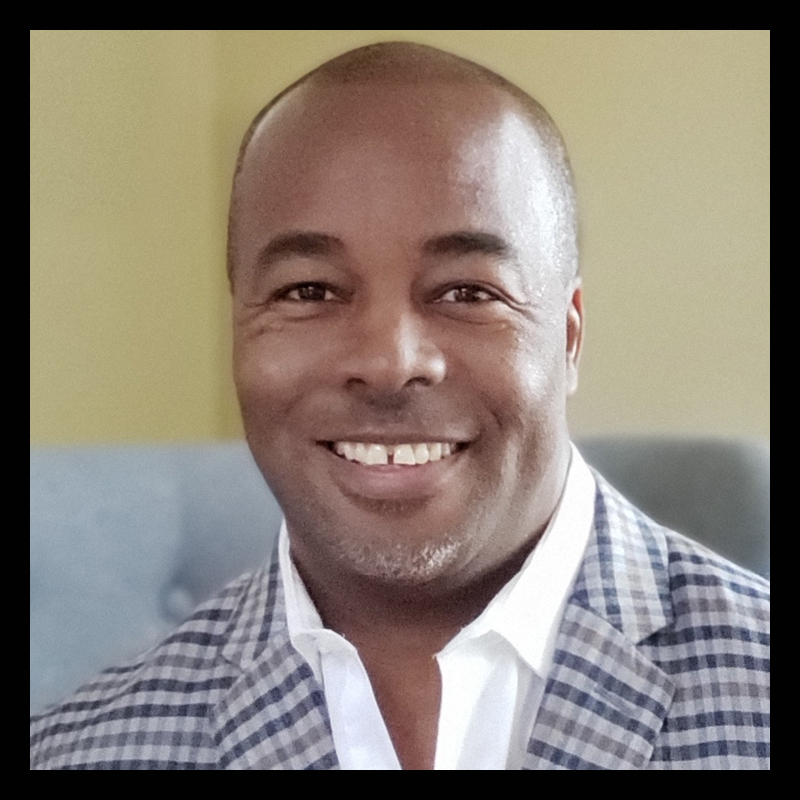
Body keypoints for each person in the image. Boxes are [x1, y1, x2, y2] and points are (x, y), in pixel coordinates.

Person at [30, 42, 769, 770]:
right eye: (309, 291)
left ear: (569, 338)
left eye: (467, 292)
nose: (389, 363)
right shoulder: (78, 754)